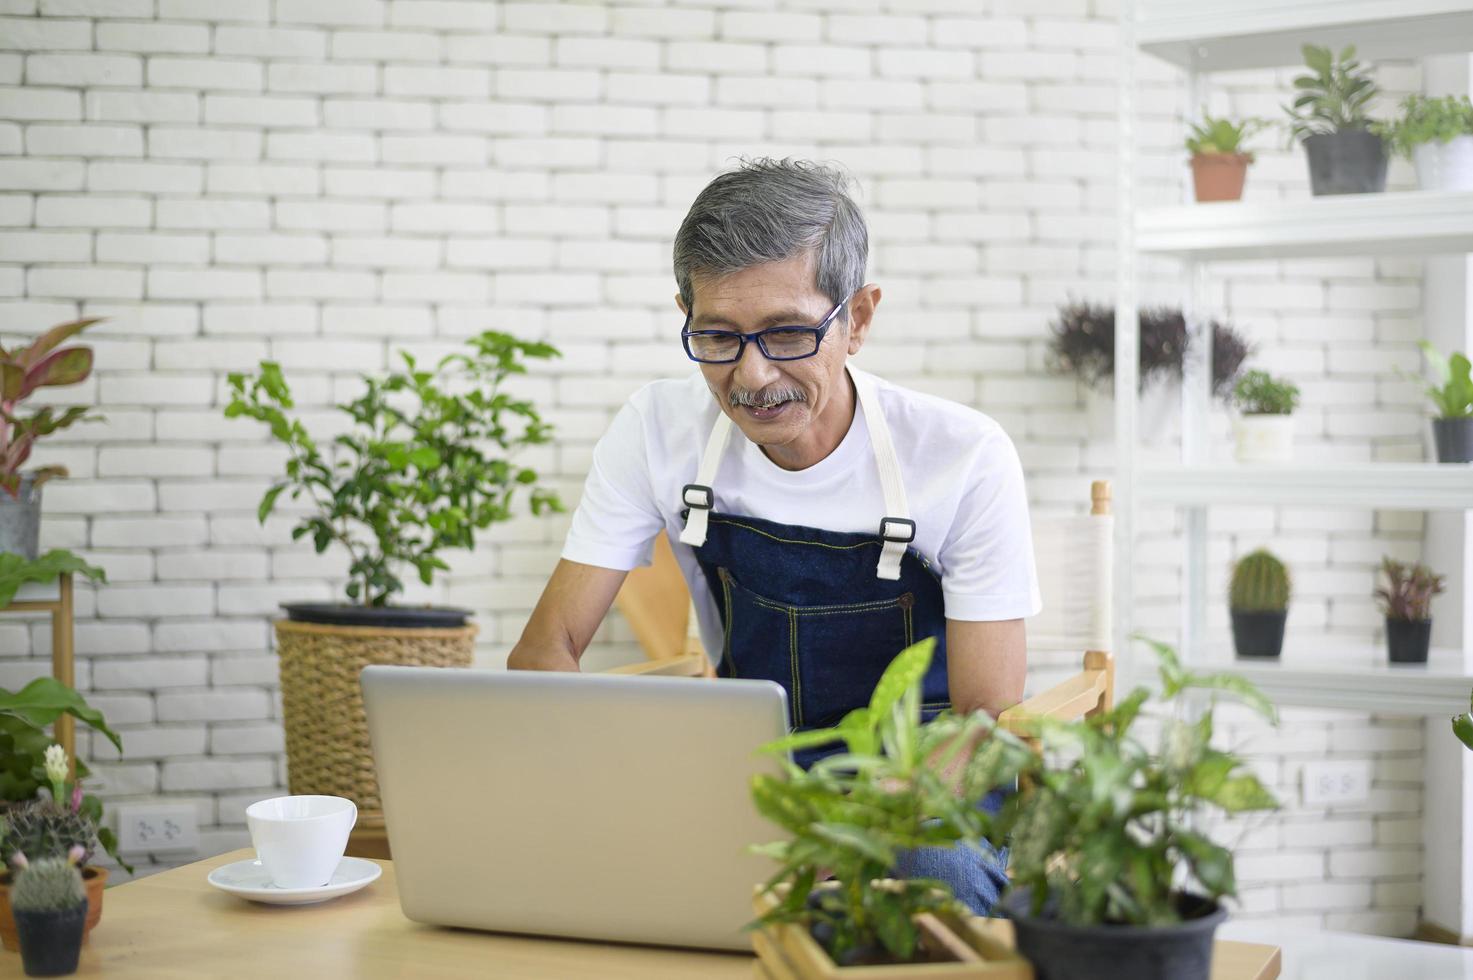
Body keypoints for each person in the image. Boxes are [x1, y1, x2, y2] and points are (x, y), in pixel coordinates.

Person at [508, 158, 1041, 914]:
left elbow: (983, 720)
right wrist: (614, 791)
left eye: (787, 333)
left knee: (934, 869)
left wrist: (857, 829)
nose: (752, 376)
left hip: (926, 793)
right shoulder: (657, 431)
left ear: (856, 319)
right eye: (716, 335)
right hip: (756, 783)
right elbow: (541, 654)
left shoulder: (960, 456)